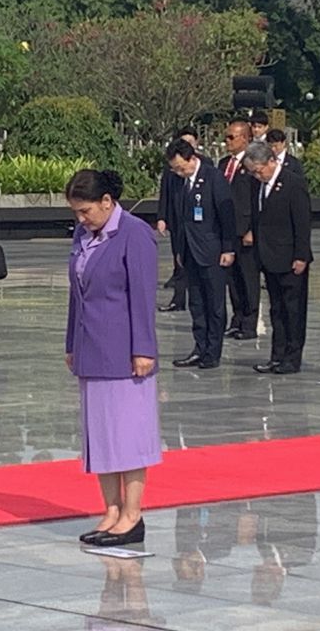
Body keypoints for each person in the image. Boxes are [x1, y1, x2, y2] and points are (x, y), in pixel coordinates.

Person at [64, 168, 160, 548]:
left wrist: (144, 349)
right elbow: (77, 294)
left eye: (86, 211)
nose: (81, 219)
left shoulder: (134, 234)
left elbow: (142, 295)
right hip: (91, 348)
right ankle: (111, 510)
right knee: (101, 437)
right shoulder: (83, 235)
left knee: (128, 436)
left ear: (107, 202)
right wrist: (72, 341)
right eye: (76, 213)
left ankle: (132, 515)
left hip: (123, 350)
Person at [166, 138, 235, 370]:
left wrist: (228, 248)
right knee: (196, 303)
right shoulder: (180, 182)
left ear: (191, 158)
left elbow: (226, 216)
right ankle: (199, 346)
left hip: (212, 250)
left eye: (180, 167)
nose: (178, 172)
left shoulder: (213, 178)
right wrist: (179, 250)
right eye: (174, 168)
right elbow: (180, 219)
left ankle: (212, 352)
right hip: (189, 251)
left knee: (214, 303)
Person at [245, 142, 312, 374]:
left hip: (290, 257)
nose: (257, 175)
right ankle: (277, 355)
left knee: (293, 310)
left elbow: (302, 223)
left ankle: (292, 358)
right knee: (276, 310)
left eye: (259, 170)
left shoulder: (293, 183)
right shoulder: (258, 186)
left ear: (271, 161)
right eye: (253, 171)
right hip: (268, 256)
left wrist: (301, 255)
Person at [219, 120, 260, 340]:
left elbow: (256, 200)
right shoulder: (224, 163)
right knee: (232, 278)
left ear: (244, 138)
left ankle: (250, 323)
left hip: (246, 230)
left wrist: (252, 229)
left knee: (248, 278)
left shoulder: (253, 163)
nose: (227, 141)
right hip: (228, 229)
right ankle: (237, 318)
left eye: (231, 137)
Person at [156, 126, 200, 313]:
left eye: (190, 142)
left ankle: (198, 301)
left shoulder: (204, 166)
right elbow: (165, 193)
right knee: (179, 261)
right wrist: (162, 217)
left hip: (198, 224)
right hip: (178, 221)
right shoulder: (171, 169)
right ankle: (178, 299)